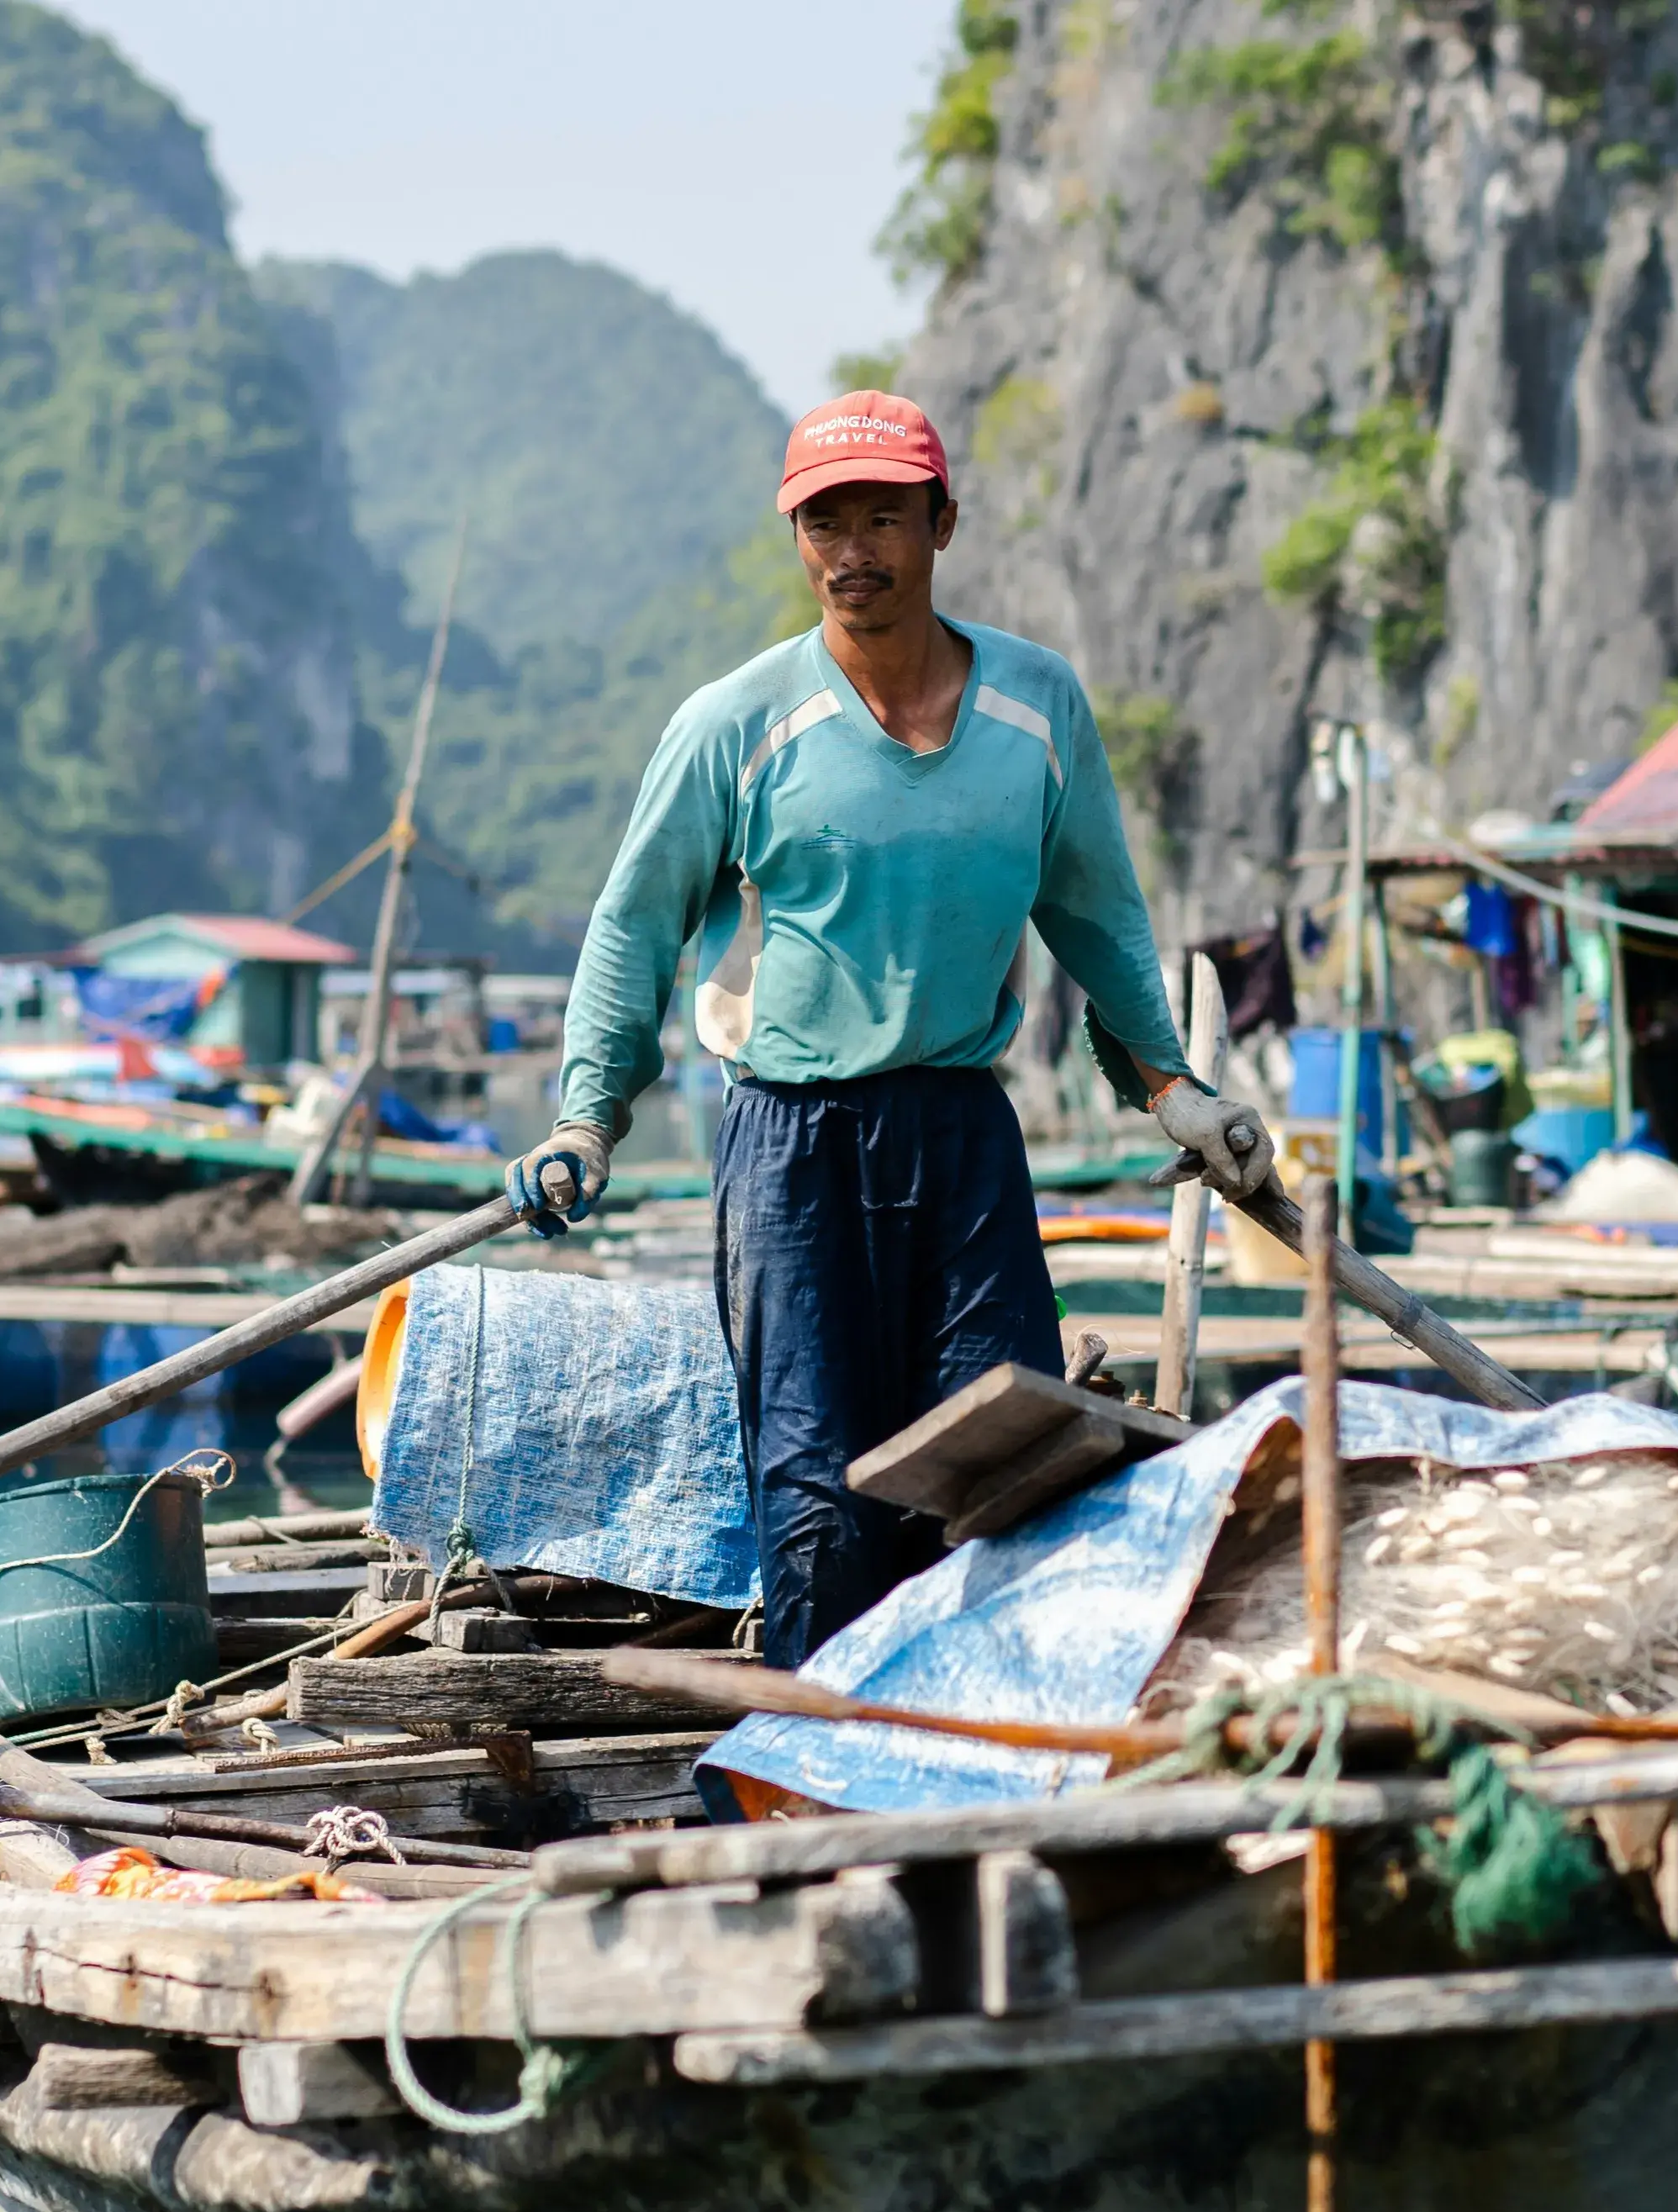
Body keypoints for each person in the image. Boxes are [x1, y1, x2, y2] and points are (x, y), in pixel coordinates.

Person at [514, 389, 1274, 1666]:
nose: (853, 549)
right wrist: (589, 1116)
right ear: (797, 540)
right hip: (791, 1146)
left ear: (942, 525)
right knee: (818, 1492)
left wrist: (1175, 1092)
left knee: (1008, 1454)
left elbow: (1095, 913)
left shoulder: (1037, 707)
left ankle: (986, 1753)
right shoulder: (736, 726)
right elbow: (633, 926)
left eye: (883, 517)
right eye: (824, 522)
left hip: (964, 1137)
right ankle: (816, 1797)